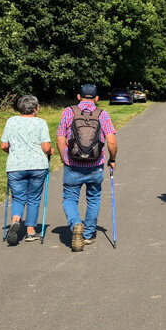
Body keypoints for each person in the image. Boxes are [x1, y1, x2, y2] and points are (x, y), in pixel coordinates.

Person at [57, 84, 118, 251]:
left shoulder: (68, 112)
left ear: (79, 96)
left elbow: (60, 138)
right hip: (95, 164)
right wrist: (112, 159)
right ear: (96, 98)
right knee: (94, 198)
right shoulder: (102, 114)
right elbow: (111, 141)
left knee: (69, 198)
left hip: (73, 164)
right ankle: (89, 234)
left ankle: (76, 223)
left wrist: (65, 159)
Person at [0, 94, 53, 245]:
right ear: (35, 108)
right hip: (37, 166)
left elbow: (4, 145)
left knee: (18, 197)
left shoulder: (11, 121)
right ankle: (30, 231)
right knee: (34, 198)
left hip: (16, 166)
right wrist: (51, 152)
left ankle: (16, 219)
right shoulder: (40, 123)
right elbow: (46, 147)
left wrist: (14, 153)